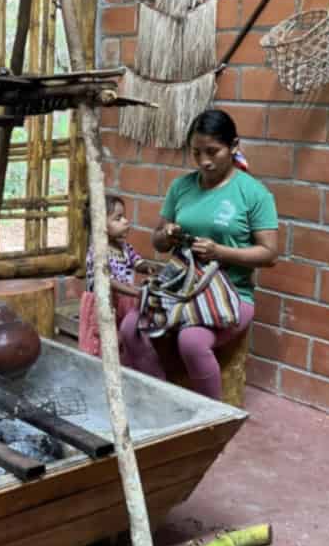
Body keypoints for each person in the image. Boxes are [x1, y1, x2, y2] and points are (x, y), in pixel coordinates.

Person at [118, 109, 279, 400]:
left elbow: (269, 254)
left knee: (192, 341)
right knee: (132, 329)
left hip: (231, 293)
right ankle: (162, 400)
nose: (204, 161)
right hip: (181, 287)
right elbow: (158, 241)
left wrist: (220, 252)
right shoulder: (182, 187)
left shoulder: (253, 193)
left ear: (234, 146)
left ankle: (211, 420)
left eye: (213, 152)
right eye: (196, 153)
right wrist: (166, 234)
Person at [78, 194, 147, 360]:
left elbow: (137, 262)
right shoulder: (98, 253)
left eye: (124, 216)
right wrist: (135, 292)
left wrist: (148, 268)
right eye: (118, 218)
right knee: (100, 340)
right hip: (102, 303)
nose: (125, 221)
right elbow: (107, 282)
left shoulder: (124, 247)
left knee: (121, 341)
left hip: (123, 302)